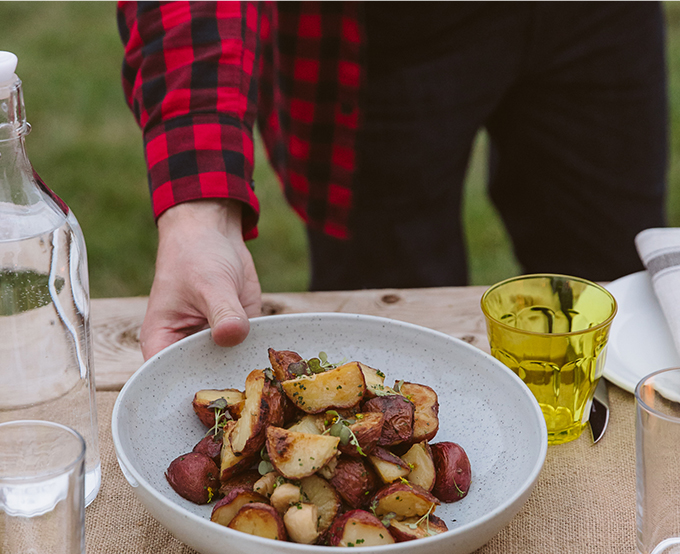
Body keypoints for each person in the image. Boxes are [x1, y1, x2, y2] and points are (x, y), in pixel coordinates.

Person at [117, 1, 668, 360]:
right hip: (380, 33)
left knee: (624, 313)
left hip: (601, 17)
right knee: (383, 346)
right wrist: (200, 211)